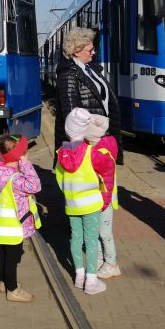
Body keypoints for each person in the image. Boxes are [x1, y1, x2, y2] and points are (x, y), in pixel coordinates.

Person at [55, 108, 114, 295]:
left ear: (67, 130)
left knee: (75, 238)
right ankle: (91, 280)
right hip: (91, 204)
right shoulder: (93, 153)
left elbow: (59, 179)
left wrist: (70, 193)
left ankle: (79, 276)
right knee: (91, 240)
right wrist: (104, 198)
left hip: (72, 204)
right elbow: (106, 174)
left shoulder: (60, 153)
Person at [54, 27, 123, 164]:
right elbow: (71, 115)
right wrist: (86, 141)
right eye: (90, 50)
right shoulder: (68, 74)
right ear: (76, 51)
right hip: (87, 141)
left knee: (103, 179)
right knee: (90, 181)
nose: (94, 53)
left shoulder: (90, 70)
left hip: (99, 137)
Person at [0, 134, 41, 303]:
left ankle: (3, 282)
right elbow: (35, 185)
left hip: (1, 225)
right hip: (14, 227)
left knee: (2, 255)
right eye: (24, 153)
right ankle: (12, 290)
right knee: (11, 260)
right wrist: (25, 164)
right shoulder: (15, 179)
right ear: (18, 156)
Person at [83, 114, 121, 280]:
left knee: (104, 232)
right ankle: (99, 261)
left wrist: (103, 203)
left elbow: (105, 182)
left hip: (102, 200)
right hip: (101, 198)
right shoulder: (105, 145)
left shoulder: (99, 153)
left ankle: (111, 264)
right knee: (96, 231)